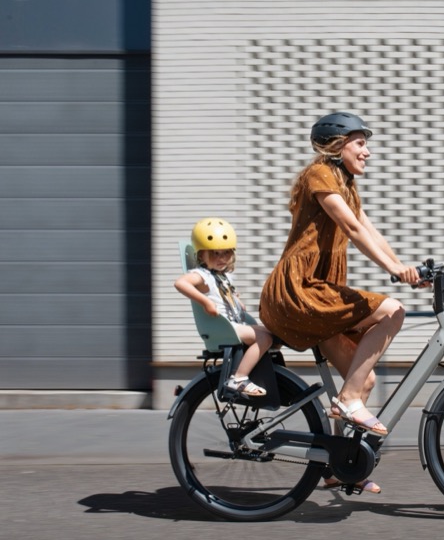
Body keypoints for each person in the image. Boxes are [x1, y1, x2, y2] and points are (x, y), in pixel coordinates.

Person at [259, 112, 421, 493]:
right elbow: (349, 227)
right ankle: (346, 401)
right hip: (300, 290)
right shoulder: (320, 175)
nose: (368, 152)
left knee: (362, 380)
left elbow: (367, 228)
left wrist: (404, 267)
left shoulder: (345, 183)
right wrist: (395, 272)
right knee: (392, 310)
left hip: (319, 292)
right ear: (338, 145)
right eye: (360, 143)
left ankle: (336, 467)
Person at [175, 217, 273, 398]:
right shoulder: (201, 275)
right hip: (223, 328)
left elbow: (223, 295)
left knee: (273, 334)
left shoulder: (222, 276)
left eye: (226, 253)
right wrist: (205, 302)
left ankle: (266, 375)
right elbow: (181, 283)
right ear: (201, 255)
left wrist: (236, 300)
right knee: (264, 339)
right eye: (214, 254)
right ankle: (239, 378)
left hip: (233, 324)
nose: (221, 258)